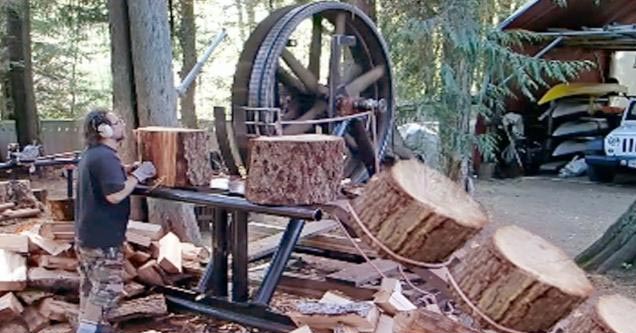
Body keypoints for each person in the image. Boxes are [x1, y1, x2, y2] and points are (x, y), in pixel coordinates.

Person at [74, 107, 156, 333]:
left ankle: (87, 329)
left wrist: (127, 170)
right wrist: (138, 176)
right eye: (117, 122)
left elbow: (107, 179)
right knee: (105, 292)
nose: (122, 125)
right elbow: (115, 194)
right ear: (104, 130)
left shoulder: (94, 154)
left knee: (90, 289)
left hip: (88, 235)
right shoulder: (104, 157)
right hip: (103, 240)